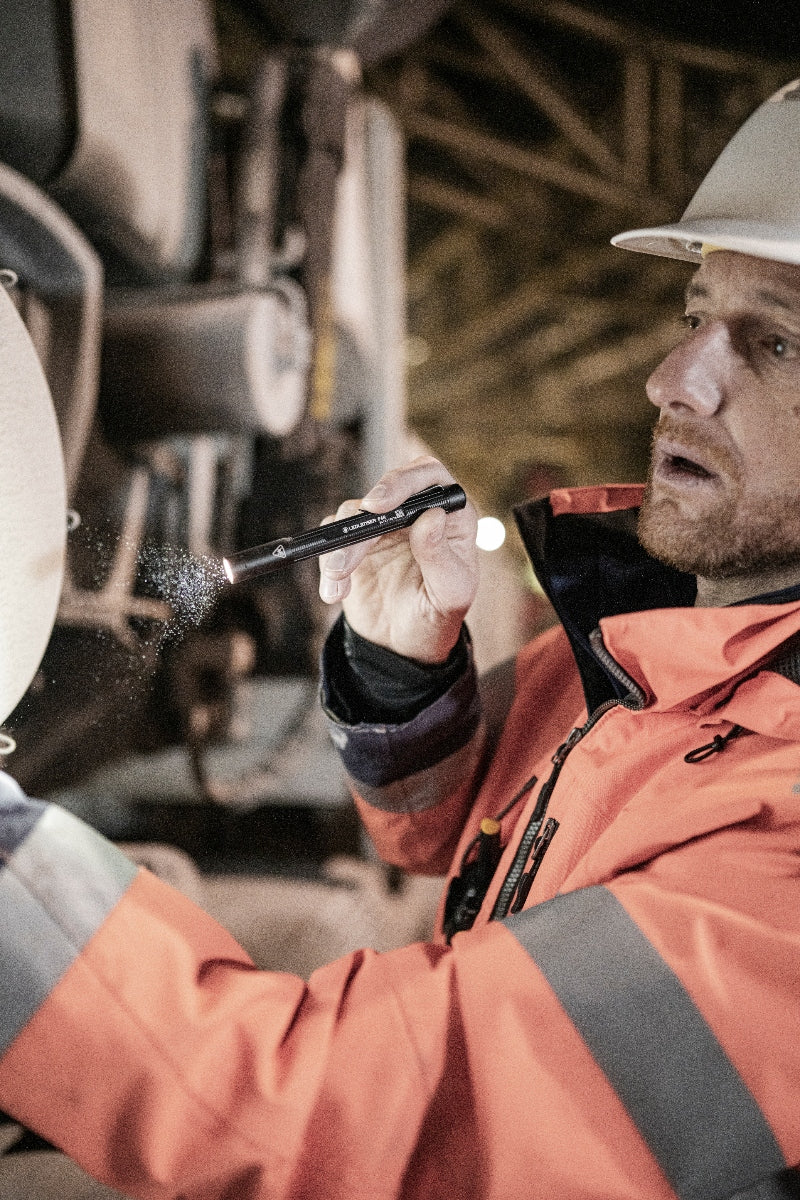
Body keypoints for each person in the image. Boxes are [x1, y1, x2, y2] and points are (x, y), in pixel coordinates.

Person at [2, 82, 800, 1200]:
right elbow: (455, 845)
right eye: (693, 317)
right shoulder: (680, 639)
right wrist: (396, 670)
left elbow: (326, 1127)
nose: (670, 381)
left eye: (773, 345)